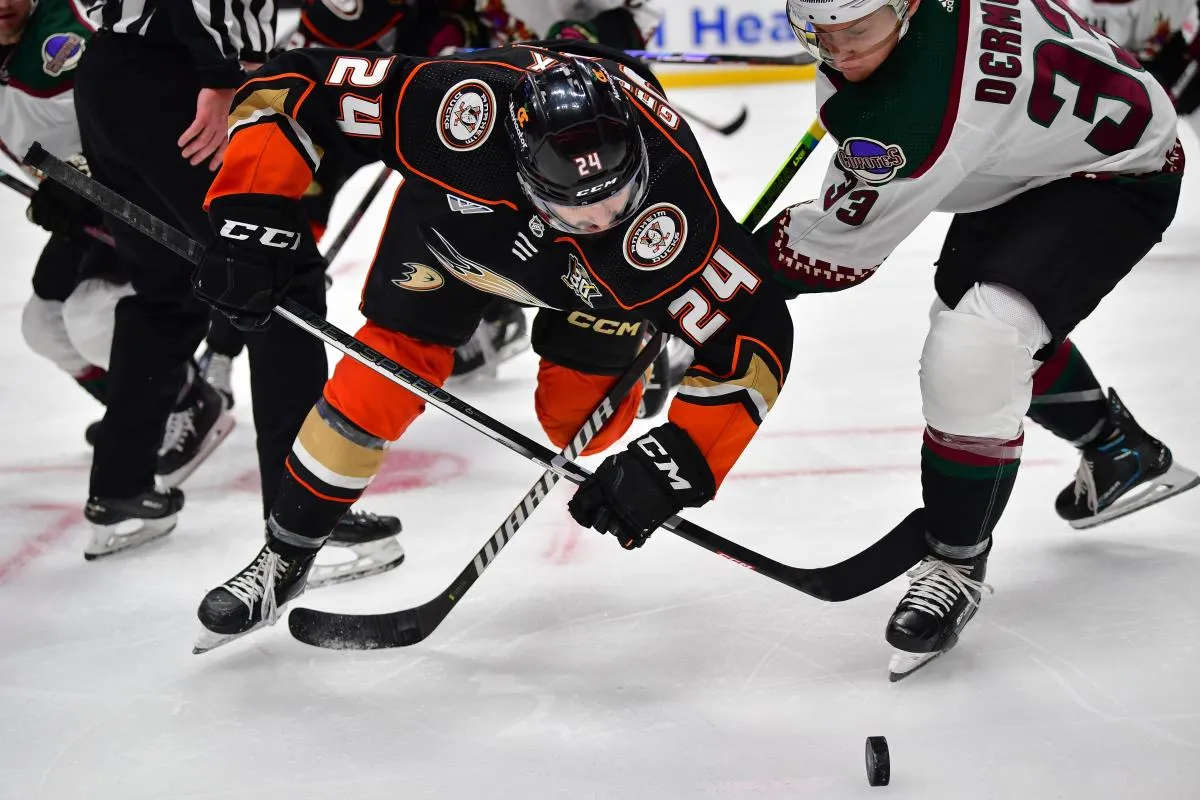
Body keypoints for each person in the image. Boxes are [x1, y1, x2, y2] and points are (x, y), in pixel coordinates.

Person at [188, 42, 793, 651]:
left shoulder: (671, 206)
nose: (604, 217)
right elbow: (300, 80)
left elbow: (755, 332)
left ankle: (640, 327)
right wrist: (250, 210)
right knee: (375, 381)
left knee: (576, 423)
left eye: (616, 193)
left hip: (599, 286)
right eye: (577, 206)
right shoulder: (458, 110)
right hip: (453, 240)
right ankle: (286, 556)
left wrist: (683, 460)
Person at [768, 0, 1199, 680]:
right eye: (819, 33)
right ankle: (1120, 451)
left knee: (975, 349)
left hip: (1119, 172)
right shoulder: (913, 49)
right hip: (1037, 150)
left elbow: (831, 255)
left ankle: (955, 561)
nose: (840, 51)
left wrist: (719, 277)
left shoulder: (911, 112)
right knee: (974, 321)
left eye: (859, 30)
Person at [75, 1, 399, 572]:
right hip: (183, 82)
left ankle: (119, 491)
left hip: (109, 75)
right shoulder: (204, 72)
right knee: (281, 284)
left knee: (165, 290)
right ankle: (299, 518)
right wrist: (219, 77)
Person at [1, 0, 130, 444]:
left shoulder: (72, 31)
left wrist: (79, 172)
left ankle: (182, 403)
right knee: (44, 325)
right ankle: (137, 414)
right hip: (92, 210)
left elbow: (145, 113)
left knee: (91, 317)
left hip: (153, 201)